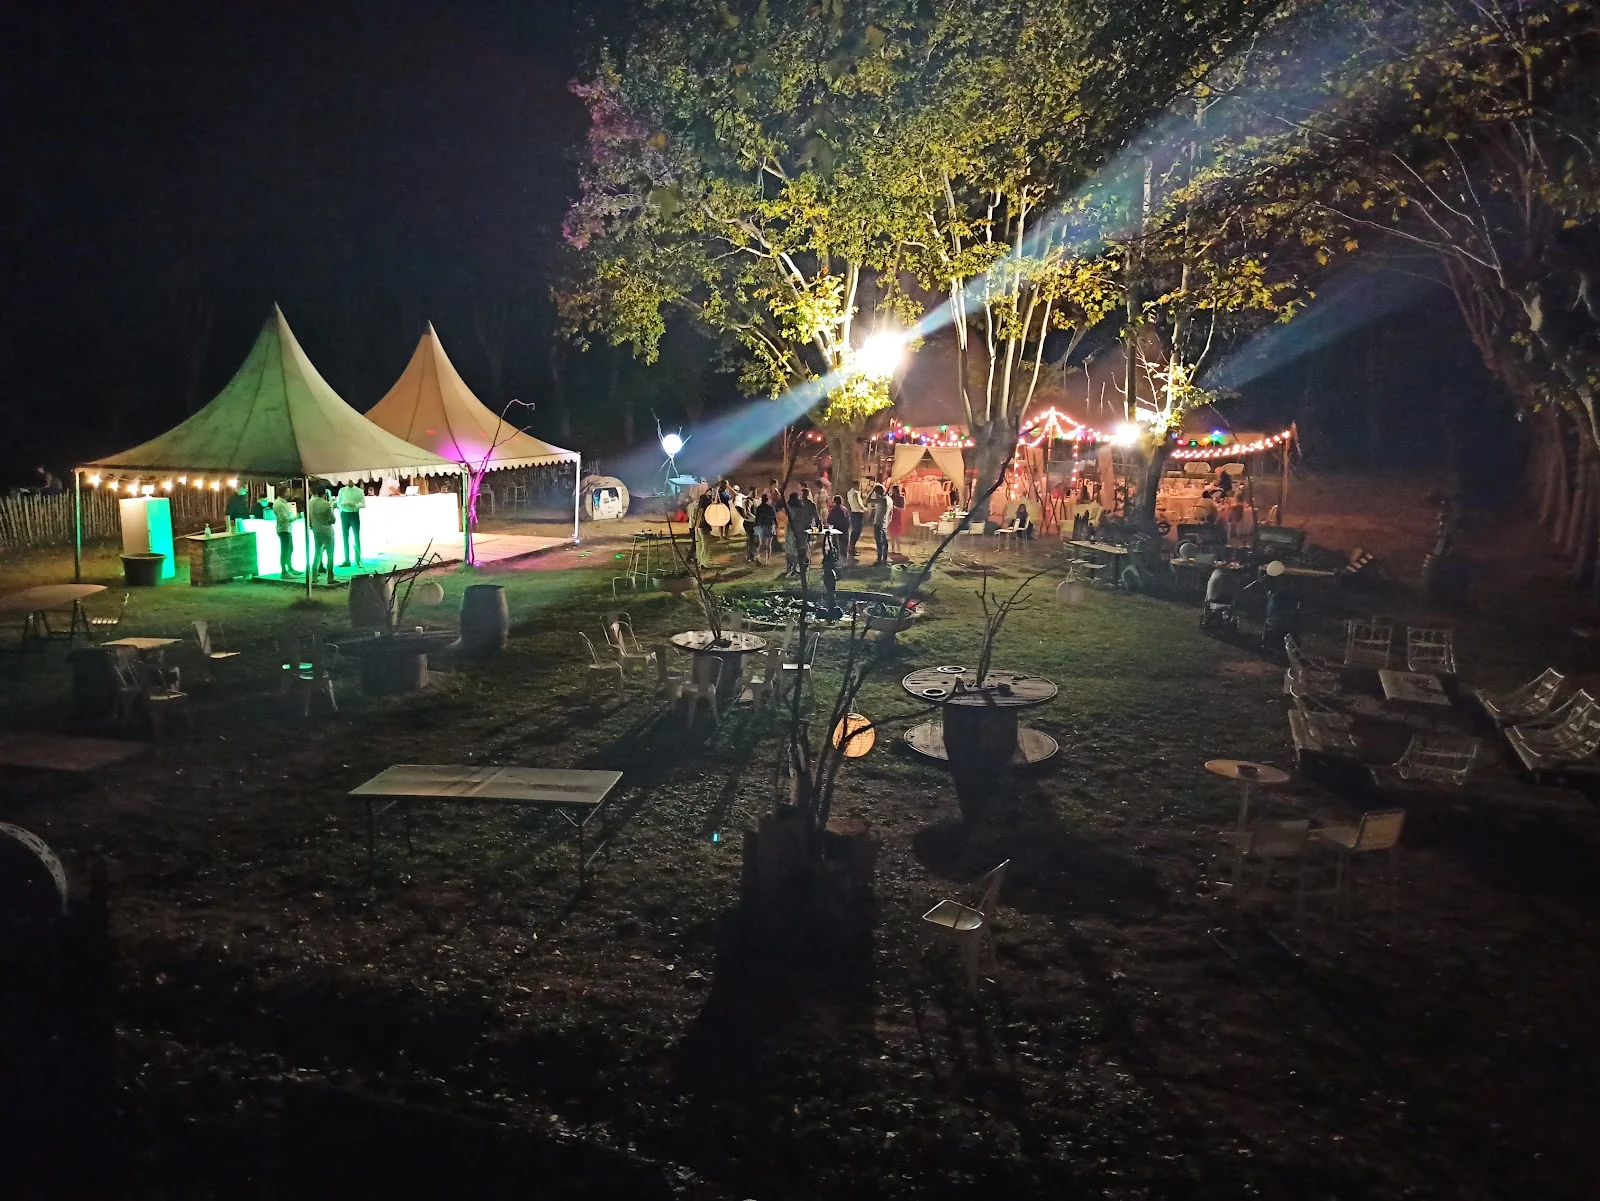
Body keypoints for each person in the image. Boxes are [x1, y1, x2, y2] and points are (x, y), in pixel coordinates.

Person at [308, 487, 338, 586]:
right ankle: (330, 577)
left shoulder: (310, 503)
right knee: (330, 553)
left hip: (316, 529)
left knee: (317, 552)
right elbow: (333, 520)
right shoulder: (326, 504)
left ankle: (314, 576)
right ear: (324, 494)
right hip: (326, 529)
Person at [336, 480, 367, 566]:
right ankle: (347, 560)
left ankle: (358, 559)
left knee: (356, 537)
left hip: (354, 514)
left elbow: (363, 504)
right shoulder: (342, 490)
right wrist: (342, 507)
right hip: (344, 514)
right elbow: (338, 503)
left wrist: (355, 505)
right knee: (345, 538)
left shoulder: (359, 491)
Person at [271, 492, 299, 577]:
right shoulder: (280, 504)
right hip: (284, 529)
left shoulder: (282, 502)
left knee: (289, 549)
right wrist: (294, 518)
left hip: (286, 529)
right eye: (287, 491)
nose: (289, 493)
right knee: (285, 550)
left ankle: (290, 568)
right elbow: (284, 518)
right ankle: (284, 571)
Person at [784, 490, 808, 576]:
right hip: (798, 529)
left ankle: (790, 567)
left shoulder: (788, 507)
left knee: (790, 548)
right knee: (797, 548)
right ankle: (795, 567)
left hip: (790, 528)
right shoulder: (801, 507)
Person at [845, 479, 867, 563]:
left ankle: (851, 548)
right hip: (858, 513)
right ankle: (852, 548)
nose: (859, 487)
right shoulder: (856, 493)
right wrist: (865, 510)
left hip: (853, 513)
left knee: (854, 531)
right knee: (857, 531)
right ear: (856, 485)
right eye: (859, 485)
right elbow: (859, 504)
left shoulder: (849, 493)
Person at [870, 483, 891, 566]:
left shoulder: (881, 500)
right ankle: (884, 558)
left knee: (879, 542)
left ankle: (879, 560)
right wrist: (887, 522)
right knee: (884, 542)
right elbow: (891, 514)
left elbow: (867, 500)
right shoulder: (889, 499)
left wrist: (872, 490)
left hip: (878, 523)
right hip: (884, 523)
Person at [753, 491, 776, 562]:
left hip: (761, 526)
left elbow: (756, 518)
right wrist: (776, 525)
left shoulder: (759, 508)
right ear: (767, 499)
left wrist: (755, 526)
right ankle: (767, 560)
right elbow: (774, 517)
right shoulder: (771, 508)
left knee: (761, 543)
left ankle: (757, 556)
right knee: (769, 544)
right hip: (769, 525)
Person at [888, 484, 906, 554]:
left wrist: (895, 508)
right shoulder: (890, 497)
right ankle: (893, 548)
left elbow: (903, 508)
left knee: (897, 533)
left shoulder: (901, 498)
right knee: (892, 534)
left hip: (898, 516)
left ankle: (898, 549)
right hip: (891, 516)